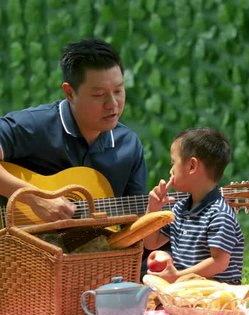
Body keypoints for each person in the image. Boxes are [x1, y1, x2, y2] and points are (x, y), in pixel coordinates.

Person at [0, 38, 147, 223]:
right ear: (69, 93)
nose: (112, 104)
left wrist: (156, 220)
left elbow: (135, 226)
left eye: (118, 90)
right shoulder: (34, 124)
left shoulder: (129, 146)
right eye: (99, 95)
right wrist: (35, 198)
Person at [143, 128, 244, 285]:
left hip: (216, 290)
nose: (170, 171)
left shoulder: (219, 214)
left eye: (173, 163)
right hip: (185, 285)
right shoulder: (179, 209)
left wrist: (177, 276)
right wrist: (153, 210)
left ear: (191, 166)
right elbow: (151, 243)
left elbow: (219, 262)